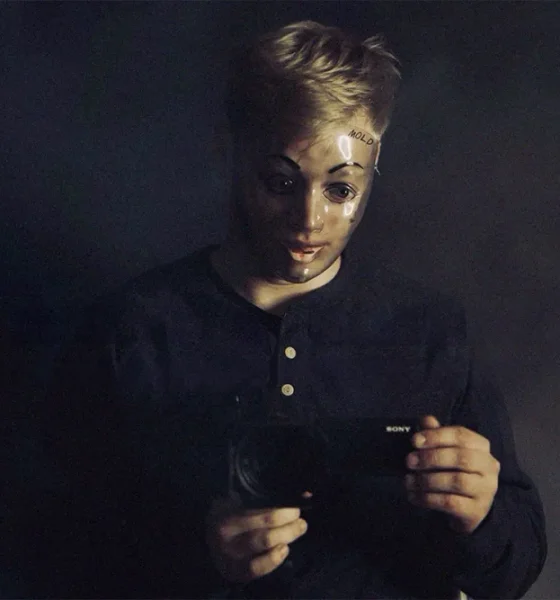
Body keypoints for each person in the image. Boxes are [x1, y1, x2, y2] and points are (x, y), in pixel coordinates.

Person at [30, 20, 545, 599]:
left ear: (375, 164)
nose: (309, 219)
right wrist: (196, 552)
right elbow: (52, 550)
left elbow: (516, 567)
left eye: (340, 189)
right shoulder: (134, 330)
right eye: (280, 182)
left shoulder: (431, 330)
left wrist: (481, 513)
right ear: (229, 153)